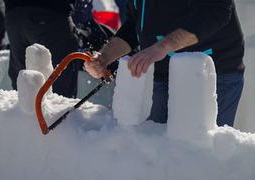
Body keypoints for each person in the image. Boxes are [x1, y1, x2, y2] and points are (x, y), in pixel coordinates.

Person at [84, 0, 245, 127]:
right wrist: (105, 57)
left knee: (196, 153)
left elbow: (216, 11)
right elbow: (136, 22)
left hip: (209, 73)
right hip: (160, 74)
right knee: (155, 153)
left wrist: (162, 47)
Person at [4, 0, 79, 98]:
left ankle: (23, 112)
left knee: (23, 87)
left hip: (14, 15)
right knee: (59, 93)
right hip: (51, 13)